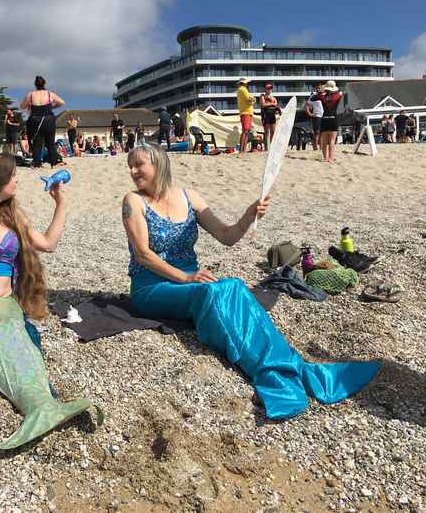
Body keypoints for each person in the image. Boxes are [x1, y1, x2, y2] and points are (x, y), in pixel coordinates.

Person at [121, 144, 380, 419]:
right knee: (212, 293)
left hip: (192, 280)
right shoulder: (133, 201)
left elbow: (226, 235)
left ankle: (296, 367)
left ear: (159, 164)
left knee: (232, 286)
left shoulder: (188, 197)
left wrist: (249, 215)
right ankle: (269, 374)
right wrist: (186, 277)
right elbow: (143, 254)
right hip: (153, 286)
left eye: (139, 164)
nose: (133, 171)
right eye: (130, 166)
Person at [0, 152, 97, 449]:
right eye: (11, 175)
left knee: (20, 340)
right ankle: (37, 409)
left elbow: (48, 244)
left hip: (4, 305)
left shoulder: (10, 216)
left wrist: (61, 203)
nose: (16, 180)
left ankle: (44, 405)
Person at [20, 75, 65, 168]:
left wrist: (30, 105)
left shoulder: (31, 95)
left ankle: (37, 163)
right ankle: (53, 163)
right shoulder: (49, 94)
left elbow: (22, 106)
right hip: (48, 120)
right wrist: (52, 106)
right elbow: (62, 102)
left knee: (37, 143)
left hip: (35, 120)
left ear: (35, 84)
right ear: (44, 83)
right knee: (50, 143)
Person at [312, 81, 343, 162]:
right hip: (333, 119)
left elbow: (313, 98)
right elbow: (341, 93)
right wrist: (335, 91)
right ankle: (330, 158)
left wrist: (321, 92)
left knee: (325, 141)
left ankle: (325, 158)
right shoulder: (337, 96)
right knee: (332, 141)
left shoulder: (322, 97)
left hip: (324, 118)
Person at [236, 78, 255, 157]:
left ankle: (242, 150)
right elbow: (249, 100)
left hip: (245, 112)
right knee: (245, 131)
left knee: (245, 131)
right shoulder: (243, 90)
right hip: (246, 112)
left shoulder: (240, 90)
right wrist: (253, 99)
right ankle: (242, 150)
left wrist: (252, 99)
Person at [260, 83, 279, 149]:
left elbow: (276, 104)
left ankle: (272, 147)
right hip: (266, 114)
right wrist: (271, 103)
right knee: (266, 132)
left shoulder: (273, 97)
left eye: (270, 88)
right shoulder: (262, 96)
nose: (269, 89)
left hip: (272, 115)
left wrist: (269, 104)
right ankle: (266, 148)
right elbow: (263, 105)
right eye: (268, 88)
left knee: (273, 132)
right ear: (265, 89)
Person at [305, 82, 324, 150]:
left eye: (320, 88)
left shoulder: (324, 95)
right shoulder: (313, 96)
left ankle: (321, 148)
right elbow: (306, 105)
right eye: (317, 88)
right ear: (315, 88)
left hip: (324, 116)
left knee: (322, 133)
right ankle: (315, 147)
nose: (319, 89)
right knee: (317, 132)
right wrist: (310, 113)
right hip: (317, 116)